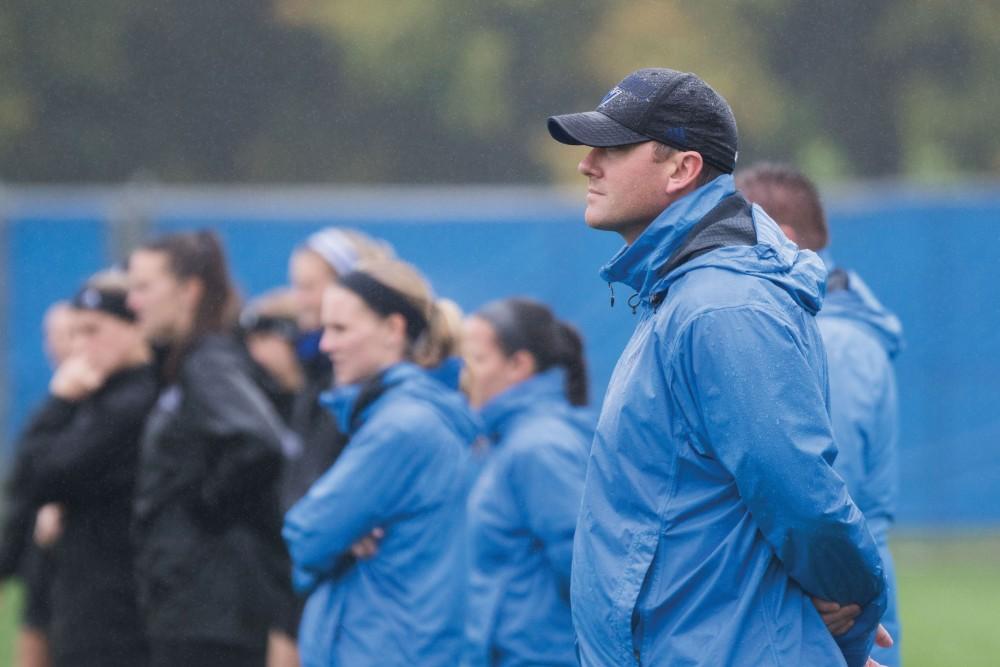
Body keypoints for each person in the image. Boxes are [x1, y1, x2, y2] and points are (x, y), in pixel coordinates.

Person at [547, 67, 889, 666]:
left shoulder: (721, 306)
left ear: (682, 168)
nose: (587, 163)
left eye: (614, 146)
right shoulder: (685, 293)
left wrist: (853, 610)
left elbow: (804, 498)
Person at [737, 162, 904, 666]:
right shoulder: (815, 327)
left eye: (733, 233)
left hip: (837, 613)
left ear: (781, 237)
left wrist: (826, 598)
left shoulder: (836, 341)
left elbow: (831, 487)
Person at [283, 258, 478, 667]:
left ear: (393, 329)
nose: (325, 345)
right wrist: (343, 532)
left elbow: (306, 536)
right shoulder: (404, 416)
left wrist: (337, 537)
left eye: (340, 329)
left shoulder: (400, 427)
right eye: (324, 329)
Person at [127, 230, 288, 667]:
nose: (133, 302)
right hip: (194, 605)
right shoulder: (186, 365)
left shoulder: (208, 361)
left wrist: (204, 506)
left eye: (144, 287)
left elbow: (258, 441)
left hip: (212, 613)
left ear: (189, 290)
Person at [13, 270, 157, 667]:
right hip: (89, 603)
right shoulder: (103, 394)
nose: (80, 346)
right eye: (74, 333)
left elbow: (35, 477)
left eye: (93, 330)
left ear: (135, 328)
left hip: (119, 615)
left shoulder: (133, 401)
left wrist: (58, 401)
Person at [461, 298, 592, 667]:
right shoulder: (513, 442)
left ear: (518, 365)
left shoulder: (538, 447)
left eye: (476, 359)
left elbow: (583, 567)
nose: (463, 373)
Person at [283, 228, 395, 512]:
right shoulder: (315, 368)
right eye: (296, 287)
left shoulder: (367, 384)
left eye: (309, 287)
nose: (299, 300)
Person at [0, 301, 76, 667]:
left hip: (82, 579)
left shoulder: (104, 404)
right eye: (49, 335)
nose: (53, 345)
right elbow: (23, 489)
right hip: (41, 570)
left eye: (65, 334)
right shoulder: (56, 403)